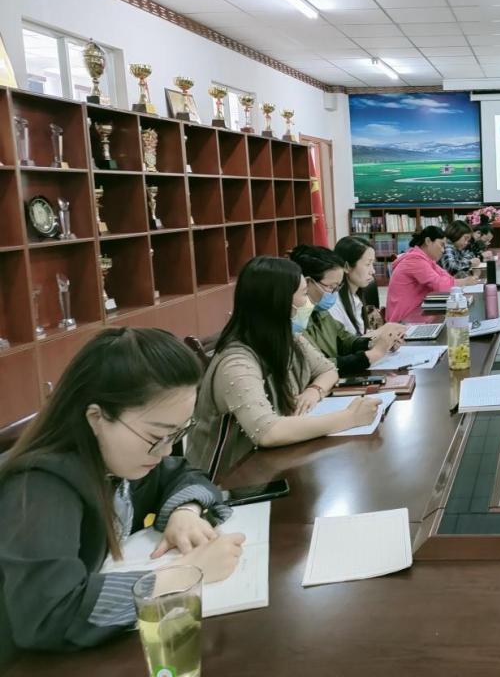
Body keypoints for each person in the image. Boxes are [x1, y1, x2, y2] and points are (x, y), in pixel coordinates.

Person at [0, 328, 244, 661]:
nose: (165, 450)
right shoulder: (39, 489)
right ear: (96, 417)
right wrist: (183, 575)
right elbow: (48, 613)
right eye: (157, 436)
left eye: (177, 433)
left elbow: (184, 473)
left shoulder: (118, 458)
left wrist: (185, 511)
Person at [188, 256, 380, 474]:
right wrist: (349, 418)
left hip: (272, 465)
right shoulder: (237, 363)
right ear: (280, 302)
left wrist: (314, 391)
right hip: (228, 479)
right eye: (304, 294)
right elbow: (268, 432)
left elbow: (328, 370)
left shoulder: (288, 337)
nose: (309, 303)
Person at [288, 245, 405, 373]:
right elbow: (317, 366)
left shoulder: (320, 311)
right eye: (331, 287)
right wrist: (373, 354)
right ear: (306, 283)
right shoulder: (296, 319)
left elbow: (344, 340)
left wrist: (374, 343)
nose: (334, 293)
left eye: (337, 287)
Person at [386, 226, 479, 323]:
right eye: (441, 245)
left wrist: (459, 281)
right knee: (455, 320)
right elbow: (440, 285)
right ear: (428, 241)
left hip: (417, 311)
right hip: (403, 320)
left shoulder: (426, 259)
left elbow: (446, 277)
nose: (443, 250)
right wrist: (464, 281)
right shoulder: (414, 260)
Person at [330, 235, 385, 336]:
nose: (373, 271)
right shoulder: (334, 304)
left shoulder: (355, 296)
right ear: (346, 267)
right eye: (368, 264)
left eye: (373, 264)